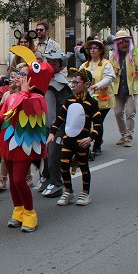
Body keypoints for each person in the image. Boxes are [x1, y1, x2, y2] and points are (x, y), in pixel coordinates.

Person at [0, 46, 53, 232]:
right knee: (14, 181)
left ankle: (30, 213)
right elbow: (5, 115)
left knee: (18, 180)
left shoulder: (37, 97)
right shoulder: (13, 96)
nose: (18, 77)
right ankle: (18, 210)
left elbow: (27, 106)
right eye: (19, 74)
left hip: (24, 144)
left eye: (23, 75)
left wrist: (23, 92)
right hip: (8, 142)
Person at [48, 68, 102, 206]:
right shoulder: (69, 101)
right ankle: (68, 191)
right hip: (68, 140)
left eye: (76, 82)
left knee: (83, 166)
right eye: (72, 82)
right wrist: (52, 133)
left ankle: (85, 193)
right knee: (64, 165)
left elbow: (97, 126)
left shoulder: (92, 103)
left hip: (82, 142)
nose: (73, 85)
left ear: (87, 84)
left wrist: (90, 138)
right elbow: (60, 119)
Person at [38, 49, 73, 198]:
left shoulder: (61, 84)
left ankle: (57, 183)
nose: (51, 65)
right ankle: (46, 178)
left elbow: (67, 107)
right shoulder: (44, 80)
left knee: (53, 154)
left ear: (60, 66)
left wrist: (61, 127)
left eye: (55, 62)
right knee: (44, 154)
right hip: (45, 124)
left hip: (57, 126)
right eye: (49, 62)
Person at [110, 30, 138, 148]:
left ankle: (128, 137)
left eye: (125, 41)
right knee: (118, 113)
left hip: (132, 89)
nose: (123, 44)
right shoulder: (112, 54)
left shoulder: (137, 52)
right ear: (117, 43)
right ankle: (123, 135)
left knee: (130, 113)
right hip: (117, 89)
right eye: (120, 42)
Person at [80, 38, 115, 158]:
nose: (92, 50)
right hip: (88, 99)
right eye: (90, 48)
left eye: (95, 48)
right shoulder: (85, 65)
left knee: (98, 122)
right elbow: (78, 77)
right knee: (88, 122)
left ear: (100, 50)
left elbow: (109, 78)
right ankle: (90, 144)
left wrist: (97, 86)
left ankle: (97, 146)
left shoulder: (106, 64)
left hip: (103, 99)